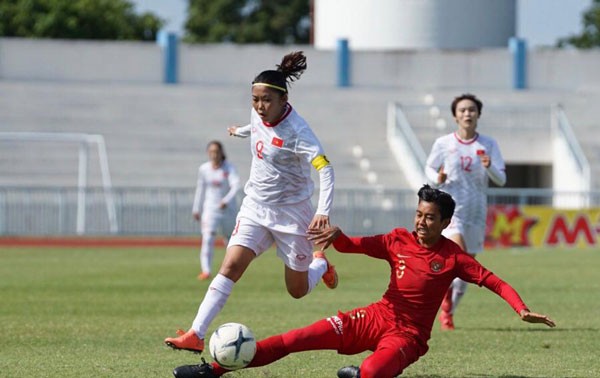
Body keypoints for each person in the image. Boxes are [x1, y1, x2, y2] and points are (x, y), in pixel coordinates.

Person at [171, 184, 555, 378]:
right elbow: (352, 244)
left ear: (445, 223)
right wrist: (335, 236)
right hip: (374, 316)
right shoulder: (396, 240)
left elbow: (495, 282)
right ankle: (214, 370)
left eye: (430, 218)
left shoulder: (454, 258)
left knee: (370, 372)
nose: (421, 222)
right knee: (294, 339)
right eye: (419, 214)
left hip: (407, 338)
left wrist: (521, 309)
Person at [165, 51, 338, 354]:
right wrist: (240, 131)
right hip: (255, 207)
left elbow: (325, 168)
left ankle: (320, 263)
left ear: (283, 100)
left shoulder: (299, 131)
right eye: (255, 99)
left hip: (292, 214)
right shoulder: (258, 115)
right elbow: (258, 130)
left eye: (266, 100)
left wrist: (322, 211)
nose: (259, 106)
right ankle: (196, 333)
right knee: (231, 265)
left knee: (296, 291)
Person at [424, 93, 507, 330]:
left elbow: (501, 179)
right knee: (457, 256)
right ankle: (441, 307)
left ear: (478, 114)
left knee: (467, 268)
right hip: (451, 211)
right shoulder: (444, 143)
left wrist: (490, 167)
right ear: (455, 116)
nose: (467, 114)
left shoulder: (488, 144)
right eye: (462, 110)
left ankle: (448, 310)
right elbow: (429, 167)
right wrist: (436, 178)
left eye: (471, 110)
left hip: (476, 212)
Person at [192, 141, 240, 281]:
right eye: (211, 151)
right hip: (210, 210)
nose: (214, 154)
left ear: (221, 153)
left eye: (216, 151)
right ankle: (206, 271)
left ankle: (232, 268)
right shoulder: (204, 169)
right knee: (208, 238)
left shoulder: (229, 168)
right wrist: (196, 208)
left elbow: (236, 185)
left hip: (228, 210)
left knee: (230, 240)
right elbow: (200, 189)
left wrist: (226, 200)